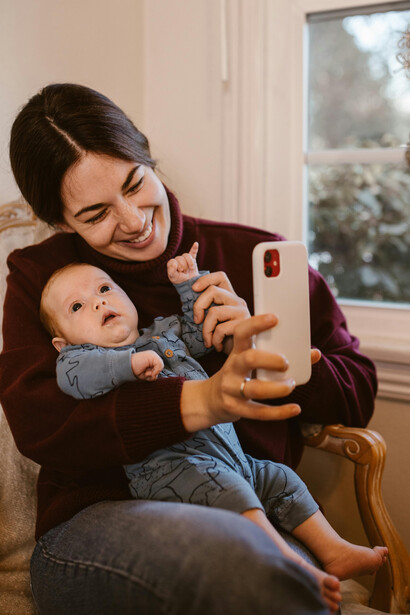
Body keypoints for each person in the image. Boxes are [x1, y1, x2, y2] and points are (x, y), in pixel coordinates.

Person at [0, 83, 378, 615]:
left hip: (254, 511)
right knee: (242, 565)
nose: (133, 221)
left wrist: (270, 340)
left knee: (279, 580)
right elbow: (39, 421)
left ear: (147, 155)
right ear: (61, 222)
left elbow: (357, 390)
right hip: (99, 524)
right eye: (95, 215)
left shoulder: (251, 253)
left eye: (135, 184)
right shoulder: (48, 281)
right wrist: (199, 401)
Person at [39, 245, 387, 611]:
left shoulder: (162, 334)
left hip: (233, 459)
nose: (96, 302)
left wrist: (189, 285)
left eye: (104, 289)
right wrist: (129, 364)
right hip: (172, 472)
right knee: (233, 494)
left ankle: (334, 550)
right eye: (76, 307)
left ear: (126, 295)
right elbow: (75, 378)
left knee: (280, 478)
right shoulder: (80, 358)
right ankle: (291, 564)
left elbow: (201, 333)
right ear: (62, 342)